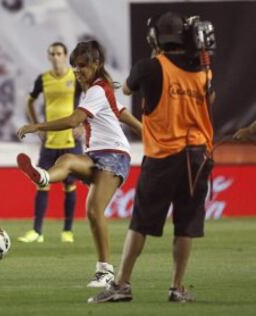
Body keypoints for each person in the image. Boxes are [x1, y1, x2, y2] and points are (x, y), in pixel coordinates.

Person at [88, 12, 215, 303]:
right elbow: (211, 101)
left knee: (141, 223)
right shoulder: (203, 69)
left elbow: (130, 87)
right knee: (186, 225)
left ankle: (121, 284)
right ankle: (177, 288)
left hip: (163, 156)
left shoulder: (149, 67)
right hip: (198, 157)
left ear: (156, 39)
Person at [17, 40, 142, 287]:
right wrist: (145, 130)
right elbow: (120, 111)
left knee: (94, 210)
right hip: (96, 155)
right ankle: (43, 177)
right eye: (75, 67)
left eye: (82, 66)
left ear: (97, 64)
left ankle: (106, 273)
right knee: (68, 160)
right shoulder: (99, 89)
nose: (77, 71)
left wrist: (38, 126)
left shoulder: (96, 90)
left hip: (114, 155)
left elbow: (75, 120)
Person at [17, 42, 83, 244]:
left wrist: (82, 124)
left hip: (70, 141)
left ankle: (67, 231)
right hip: (50, 142)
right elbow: (29, 100)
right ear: (49, 57)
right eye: (52, 54)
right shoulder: (43, 79)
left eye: (59, 53)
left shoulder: (76, 77)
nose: (55, 57)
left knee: (69, 186)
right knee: (41, 183)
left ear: (65, 55)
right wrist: (37, 125)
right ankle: (37, 232)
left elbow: (93, 100)